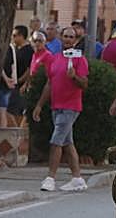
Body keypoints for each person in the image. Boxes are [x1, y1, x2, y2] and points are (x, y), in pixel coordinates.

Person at [32, 30, 90, 192]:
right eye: (66, 36)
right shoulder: (54, 59)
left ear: (75, 40)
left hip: (71, 107)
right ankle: (77, 178)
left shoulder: (80, 60)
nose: (68, 40)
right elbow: (49, 84)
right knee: (67, 142)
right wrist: (39, 105)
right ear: (61, 38)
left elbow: (84, 84)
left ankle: (51, 178)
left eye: (72, 37)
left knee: (56, 141)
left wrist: (74, 77)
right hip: (56, 106)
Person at [6, 25, 34, 126]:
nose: (13, 38)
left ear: (21, 36)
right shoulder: (15, 49)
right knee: (10, 109)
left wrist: (20, 81)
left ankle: (18, 131)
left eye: (15, 35)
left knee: (17, 109)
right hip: (14, 83)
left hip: (20, 84)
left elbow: (29, 69)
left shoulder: (28, 50)